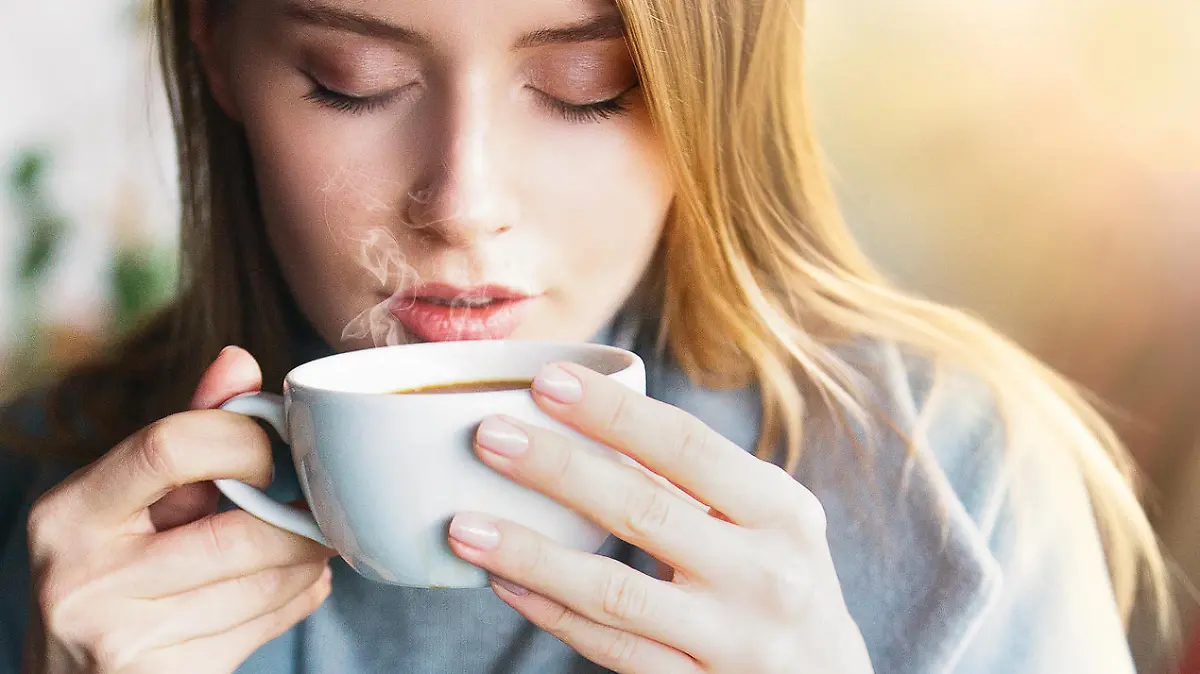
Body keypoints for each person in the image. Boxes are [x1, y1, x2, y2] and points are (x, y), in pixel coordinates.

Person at [0, 0, 1171, 672]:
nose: (462, 200)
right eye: (351, 80)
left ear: (707, 85)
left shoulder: (955, 477)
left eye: (585, 84)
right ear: (212, 48)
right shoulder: (50, 516)